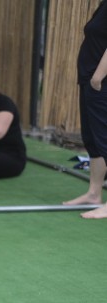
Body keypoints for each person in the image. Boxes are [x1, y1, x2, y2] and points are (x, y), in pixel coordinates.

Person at [63, 1, 107, 218]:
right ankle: (93, 193)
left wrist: (98, 77)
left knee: (105, 138)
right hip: (90, 80)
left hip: (101, 81)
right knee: (92, 138)